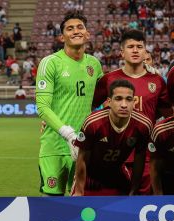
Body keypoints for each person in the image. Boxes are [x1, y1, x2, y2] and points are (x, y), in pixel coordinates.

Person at [92, 29, 170, 195]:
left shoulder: (156, 81)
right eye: (130, 46)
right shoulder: (109, 79)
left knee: (143, 202)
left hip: (146, 153)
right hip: (113, 153)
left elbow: (169, 114)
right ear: (122, 52)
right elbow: (89, 106)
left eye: (139, 47)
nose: (135, 50)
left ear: (145, 51)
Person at [36, 11, 103, 195]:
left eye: (80, 27)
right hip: (55, 146)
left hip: (85, 147)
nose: (75, 31)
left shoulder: (95, 64)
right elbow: (42, 107)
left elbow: (104, 103)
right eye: (70, 28)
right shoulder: (50, 63)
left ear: (87, 33)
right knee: (51, 205)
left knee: (81, 203)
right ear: (61, 36)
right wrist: (68, 134)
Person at [72, 79, 152, 196]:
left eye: (128, 99)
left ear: (134, 102)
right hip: (90, 176)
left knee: (120, 212)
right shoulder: (93, 123)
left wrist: (133, 190)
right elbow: (82, 159)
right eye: (118, 99)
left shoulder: (144, 125)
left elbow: (139, 160)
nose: (124, 105)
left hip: (117, 174)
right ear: (109, 101)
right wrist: (79, 191)